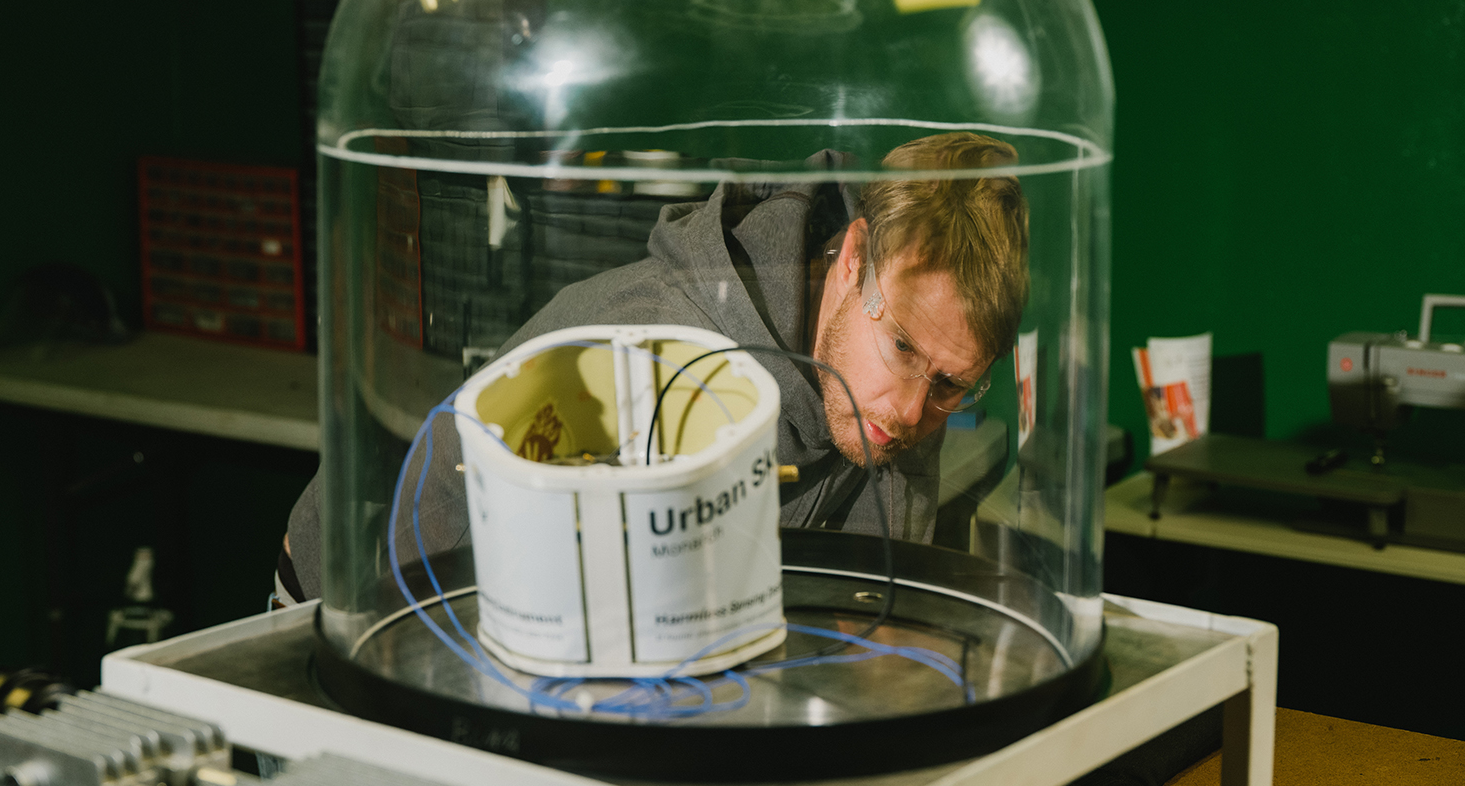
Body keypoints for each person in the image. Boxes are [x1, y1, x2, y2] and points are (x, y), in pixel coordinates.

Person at [277, 130, 1027, 603]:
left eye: (950, 384)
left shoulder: (900, 381)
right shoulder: (658, 358)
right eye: (901, 348)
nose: (907, 411)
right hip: (356, 596)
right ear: (855, 258)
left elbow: (861, 616)